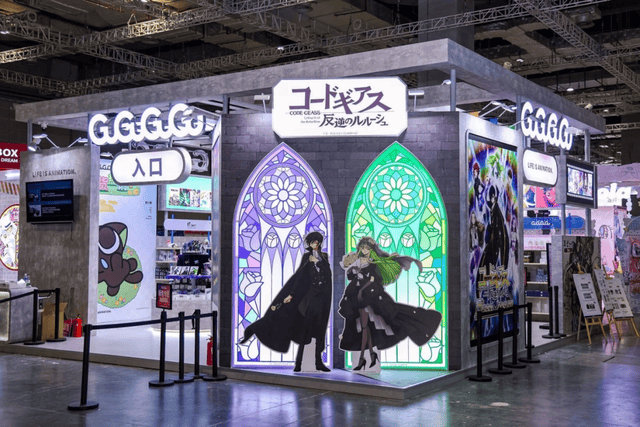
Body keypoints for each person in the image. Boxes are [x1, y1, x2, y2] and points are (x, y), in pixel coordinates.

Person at [338, 237, 442, 371]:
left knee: (367, 326)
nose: (364, 250)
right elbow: (350, 277)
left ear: (371, 249)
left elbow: (375, 279)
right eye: (362, 247)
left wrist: (364, 281)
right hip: (357, 297)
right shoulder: (357, 260)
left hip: (370, 297)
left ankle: (365, 358)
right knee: (364, 327)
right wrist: (352, 270)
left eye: (367, 248)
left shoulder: (373, 263)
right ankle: (369, 356)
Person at [240, 232, 332, 372]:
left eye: (317, 242)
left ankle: (318, 362)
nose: (315, 244)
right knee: (305, 330)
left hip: (322, 298)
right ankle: (298, 363)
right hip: (309, 298)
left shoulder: (324, 257)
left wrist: (318, 262)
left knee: (320, 330)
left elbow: (328, 273)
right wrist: (291, 294)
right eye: (312, 242)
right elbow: (299, 277)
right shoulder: (306, 257)